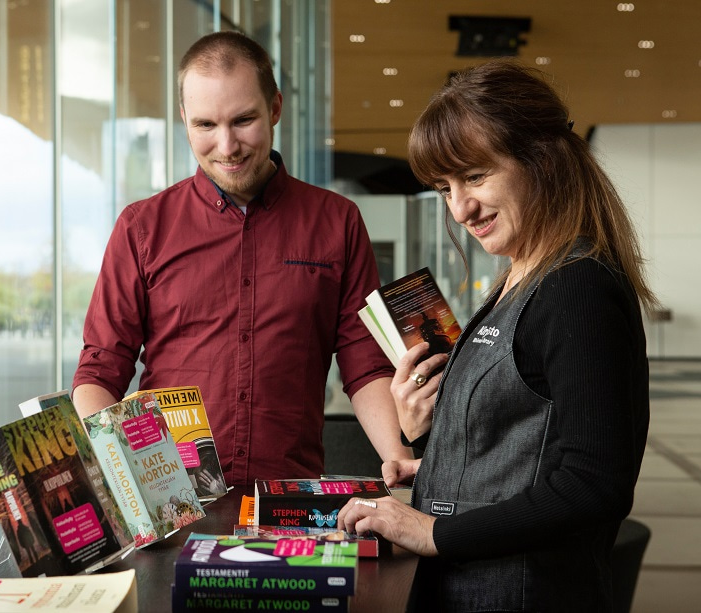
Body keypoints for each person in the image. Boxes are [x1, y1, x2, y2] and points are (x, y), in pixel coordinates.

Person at [338, 60, 656, 611]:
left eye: (476, 176)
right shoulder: (519, 276)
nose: (460, 208)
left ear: (542, 159)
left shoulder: (577, 289)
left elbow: (591, 484)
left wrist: (433, 532)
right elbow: (526, 446)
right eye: (445, 187)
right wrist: (431, 454)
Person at [71, 31, 412, 486]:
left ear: (274, 108)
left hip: (289, 500)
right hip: (174, 500)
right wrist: (110, 475)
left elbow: (364, 361)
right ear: (184, 119)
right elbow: (101, 367)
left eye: (243, 120)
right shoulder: (141, 227)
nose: (227, 147)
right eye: (205, 126)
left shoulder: (338, 222)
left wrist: (397, 456)